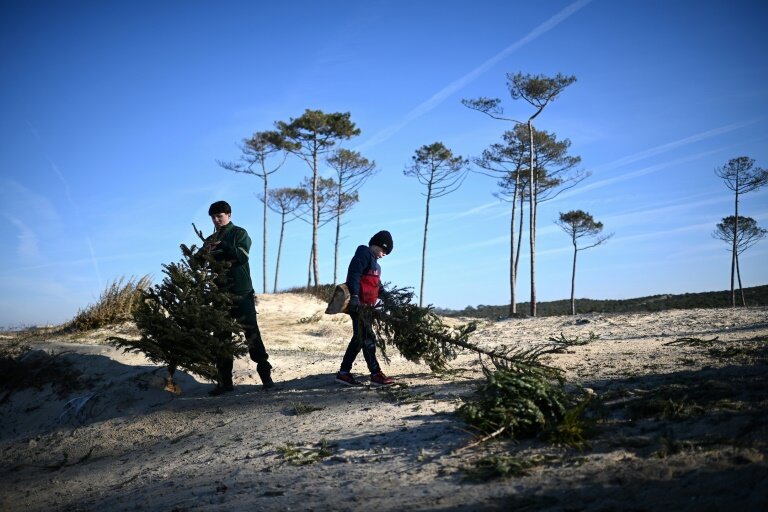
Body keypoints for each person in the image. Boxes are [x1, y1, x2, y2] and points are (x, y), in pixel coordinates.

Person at [204, 200, 273, 395]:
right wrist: (203, 252)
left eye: (220, 216)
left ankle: (266, 378)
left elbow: (242, 257)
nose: (217, 220)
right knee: (221, 339)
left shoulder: (239, 233)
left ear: (229, 215)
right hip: (220, 294)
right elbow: (200, 261)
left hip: (242, 293)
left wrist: (224, 245)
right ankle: (225, 383)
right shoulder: (209, 239)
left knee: (252, 334)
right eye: (214, 217)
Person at [335, 230, 396, 387]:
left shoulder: (377, 266)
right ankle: (375, 374)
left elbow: (377, 285)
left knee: (358, 340)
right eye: (383, 250)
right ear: (375, 245)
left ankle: (343, 373)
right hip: (358, 306)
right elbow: (354, 275)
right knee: (368, 338)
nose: (384, 254)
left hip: (368, 308)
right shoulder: (362, 255)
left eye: (386, 253)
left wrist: (387, 298)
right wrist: (354, 296)